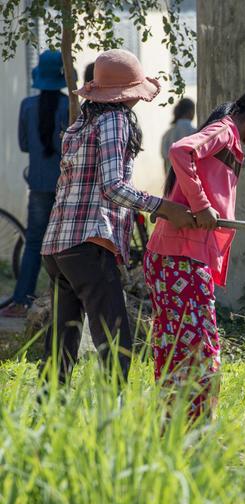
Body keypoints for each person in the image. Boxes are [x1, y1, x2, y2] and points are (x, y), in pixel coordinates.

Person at [40, 49, 195, 383]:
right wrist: (163, 207)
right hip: (88, 243)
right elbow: (114, 187)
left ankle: (44, 413)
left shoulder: (84, 120)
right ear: (129, 93)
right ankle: (114, 414)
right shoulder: (115, 120)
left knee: (61, 341)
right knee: (115, 338)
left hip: (57, 245)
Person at [144, 89, 245, 418]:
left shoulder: (230, 141)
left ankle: (174, 430)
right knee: (198, 352)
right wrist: (202, 205)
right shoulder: (225, 130)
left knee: (176, 348)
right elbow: (181, 151)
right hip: (181, 258)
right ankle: (195, 432)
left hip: (177, 257)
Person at [0, 51, 70, 318]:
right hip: (65, 187)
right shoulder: (69, 107)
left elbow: (23, 144)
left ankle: (21, 300)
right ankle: (65, 303)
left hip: (39, 185)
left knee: (33, 243)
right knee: (66, 245)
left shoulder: (27, 106)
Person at [160, 98, 196, 174]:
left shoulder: (166, 134)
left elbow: (165, 162)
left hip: (172, 179)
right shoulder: (196, 132)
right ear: (191, 112)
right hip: (189, 177)